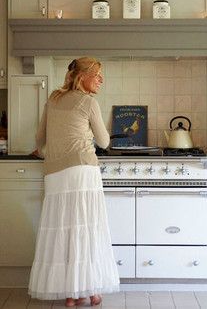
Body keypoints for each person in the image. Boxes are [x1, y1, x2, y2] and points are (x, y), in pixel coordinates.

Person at [28, 57, 120, 307]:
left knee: (64, 231)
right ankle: (90, 291)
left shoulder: (53, 100)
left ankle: (70, 293)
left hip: (55, 174)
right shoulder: (89, 102)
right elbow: (104, 142)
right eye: (98, 75)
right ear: (83, 76)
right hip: (81, 171)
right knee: (86, 229)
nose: (101, 80)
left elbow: (40, 139)